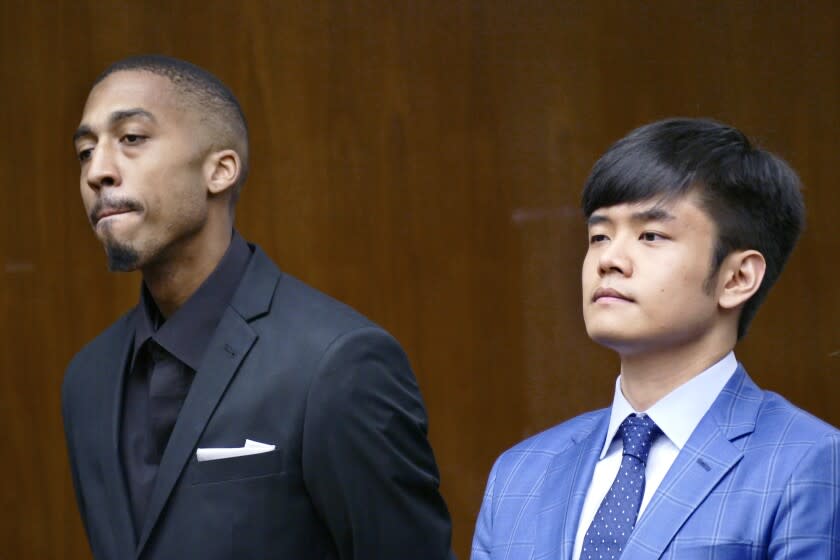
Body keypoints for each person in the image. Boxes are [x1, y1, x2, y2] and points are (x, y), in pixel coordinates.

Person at [62, 54, 453, 560]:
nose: (98, 171)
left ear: (220, 169)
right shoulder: (88, 380)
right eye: (85, 151)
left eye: (131, 138)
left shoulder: (337, 364)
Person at [471, 118, 840, 559]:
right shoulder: (520, 474)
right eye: (599, 235)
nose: (609, 258)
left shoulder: (810, 463)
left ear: (737, 277)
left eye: (651, 235)